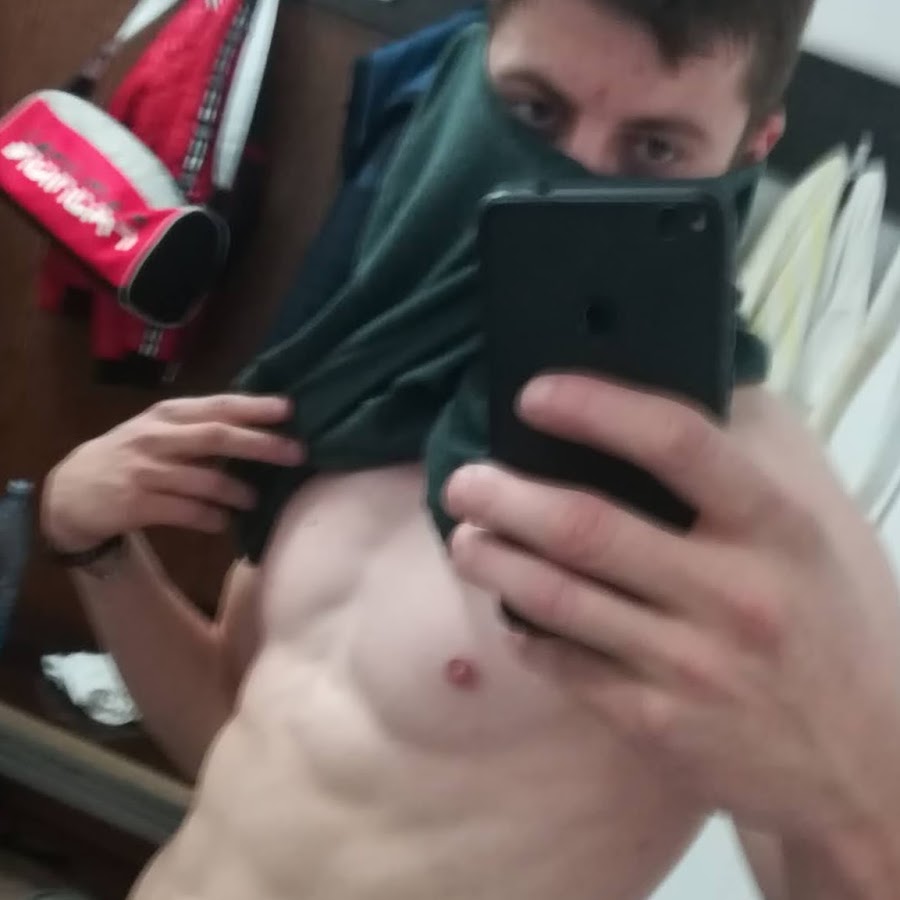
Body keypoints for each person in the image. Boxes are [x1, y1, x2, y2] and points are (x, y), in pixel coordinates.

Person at [40, 0, 900, 898]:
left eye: (655, 148)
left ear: (753, 146)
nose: (567, 180)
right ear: (470, 67)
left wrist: (852, 801)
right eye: (534, 111)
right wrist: (96, 547)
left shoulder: (755, 502)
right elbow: (239, 745)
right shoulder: (373, 369)